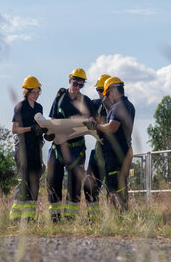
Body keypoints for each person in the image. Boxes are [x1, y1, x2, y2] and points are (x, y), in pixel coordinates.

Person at [46, 68, 96, 221]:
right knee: (53, 183)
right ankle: (55, 218)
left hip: (77, 149)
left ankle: (70, 219)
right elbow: (52, 120)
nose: (77, 88)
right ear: (69, 81)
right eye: (75, 84)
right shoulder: (60, 99)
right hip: (58, 148)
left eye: (81, 85)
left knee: (74, 185)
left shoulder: (85, 101)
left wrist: (90, 123)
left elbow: (93, 121)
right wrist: (48, 131)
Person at [10, 75, 48, 222]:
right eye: (34, 92)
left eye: (38, 92)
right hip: (23, 148)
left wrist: (43, 130)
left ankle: (29, 217)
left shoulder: (39, 108)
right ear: (27, 92)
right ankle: (16, 217)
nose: (36, 95)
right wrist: (31, 129)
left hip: (36, 147)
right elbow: (14, 129)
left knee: (35, 180)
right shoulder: (20, 106)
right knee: (23, 180)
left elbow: (41, 125)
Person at [96, 76, 135, 210]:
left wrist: (96, 126)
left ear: (113, 90)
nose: (107, 97)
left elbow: (112, 127)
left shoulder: (118, 106)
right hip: (125, 151)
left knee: (113, 185)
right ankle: (122, 214)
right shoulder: (129, 105)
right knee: (121, 183)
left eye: (107, 93)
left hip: (116, 154)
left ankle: (116, 214)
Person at [83, 74, 110, 219]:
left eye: (102, 90)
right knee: (89, 185)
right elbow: (83, 102)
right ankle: (93, 218)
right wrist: (66, 95)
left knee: (113, 189)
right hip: (98, 150)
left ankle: (115, 219)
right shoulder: (96, 104)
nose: (100, 93)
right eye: (99, 90)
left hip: (112, 153)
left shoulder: (120, 108)